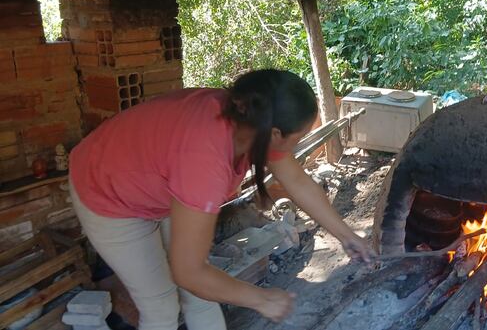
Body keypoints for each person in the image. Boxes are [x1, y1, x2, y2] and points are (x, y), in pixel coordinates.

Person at [68, 69, 373, 330]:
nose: (297, 143)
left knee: (203, 293)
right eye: (299, 137)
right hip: (106, 190)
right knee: (161, 306)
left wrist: (348, 236)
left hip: (155, 181)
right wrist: (261, 298)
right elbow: (188, 272)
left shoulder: (251, 119)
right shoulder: (205, 159)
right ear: (276, 133)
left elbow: (297, 181)